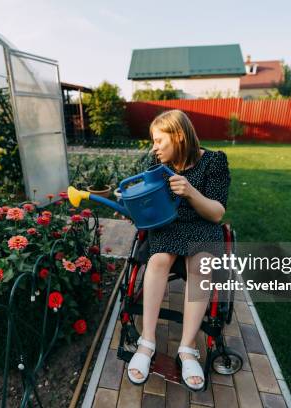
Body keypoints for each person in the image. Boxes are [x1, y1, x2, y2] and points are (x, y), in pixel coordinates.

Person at [126, 110, 231, 391]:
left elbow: (217, 213)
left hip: (201, 224)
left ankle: (187, 348)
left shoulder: (214, 162)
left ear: (179, 136)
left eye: (159, 140)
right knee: (158, 260)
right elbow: (150, 202)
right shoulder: (158, 164)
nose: (154, 147)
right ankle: (146, 342)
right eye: (153, 141)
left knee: (201, 264)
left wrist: (190, 192)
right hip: (168, 224)